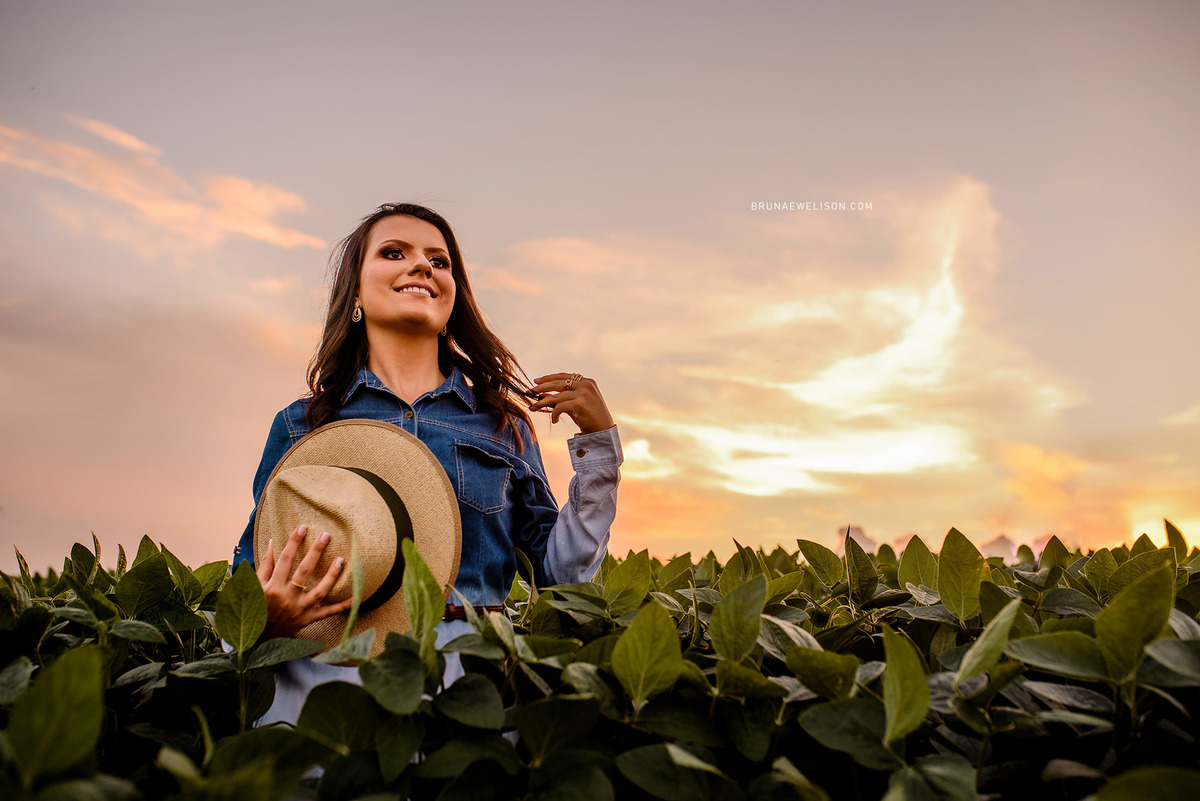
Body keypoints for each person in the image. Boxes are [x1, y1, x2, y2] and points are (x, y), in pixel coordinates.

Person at [231, 202, 622, 723]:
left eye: (440, 261)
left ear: (453, 297)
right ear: (355, 292)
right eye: (395, 253)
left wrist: (598, 449)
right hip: (323, 678)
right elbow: (249, 573)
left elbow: (559, 575)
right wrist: (263, 618)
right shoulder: (302, 424)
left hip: (467, 677)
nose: (423, 267)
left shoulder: (501, 425)